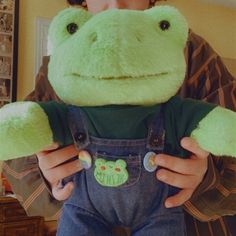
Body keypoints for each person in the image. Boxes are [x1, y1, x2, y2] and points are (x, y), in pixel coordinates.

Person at [2, 0, 236, 235]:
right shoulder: (63, 63)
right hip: (84, 218)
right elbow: (18, 152)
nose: (117, 5)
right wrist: (48, 174)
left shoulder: (193, 54)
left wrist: (206, 176)